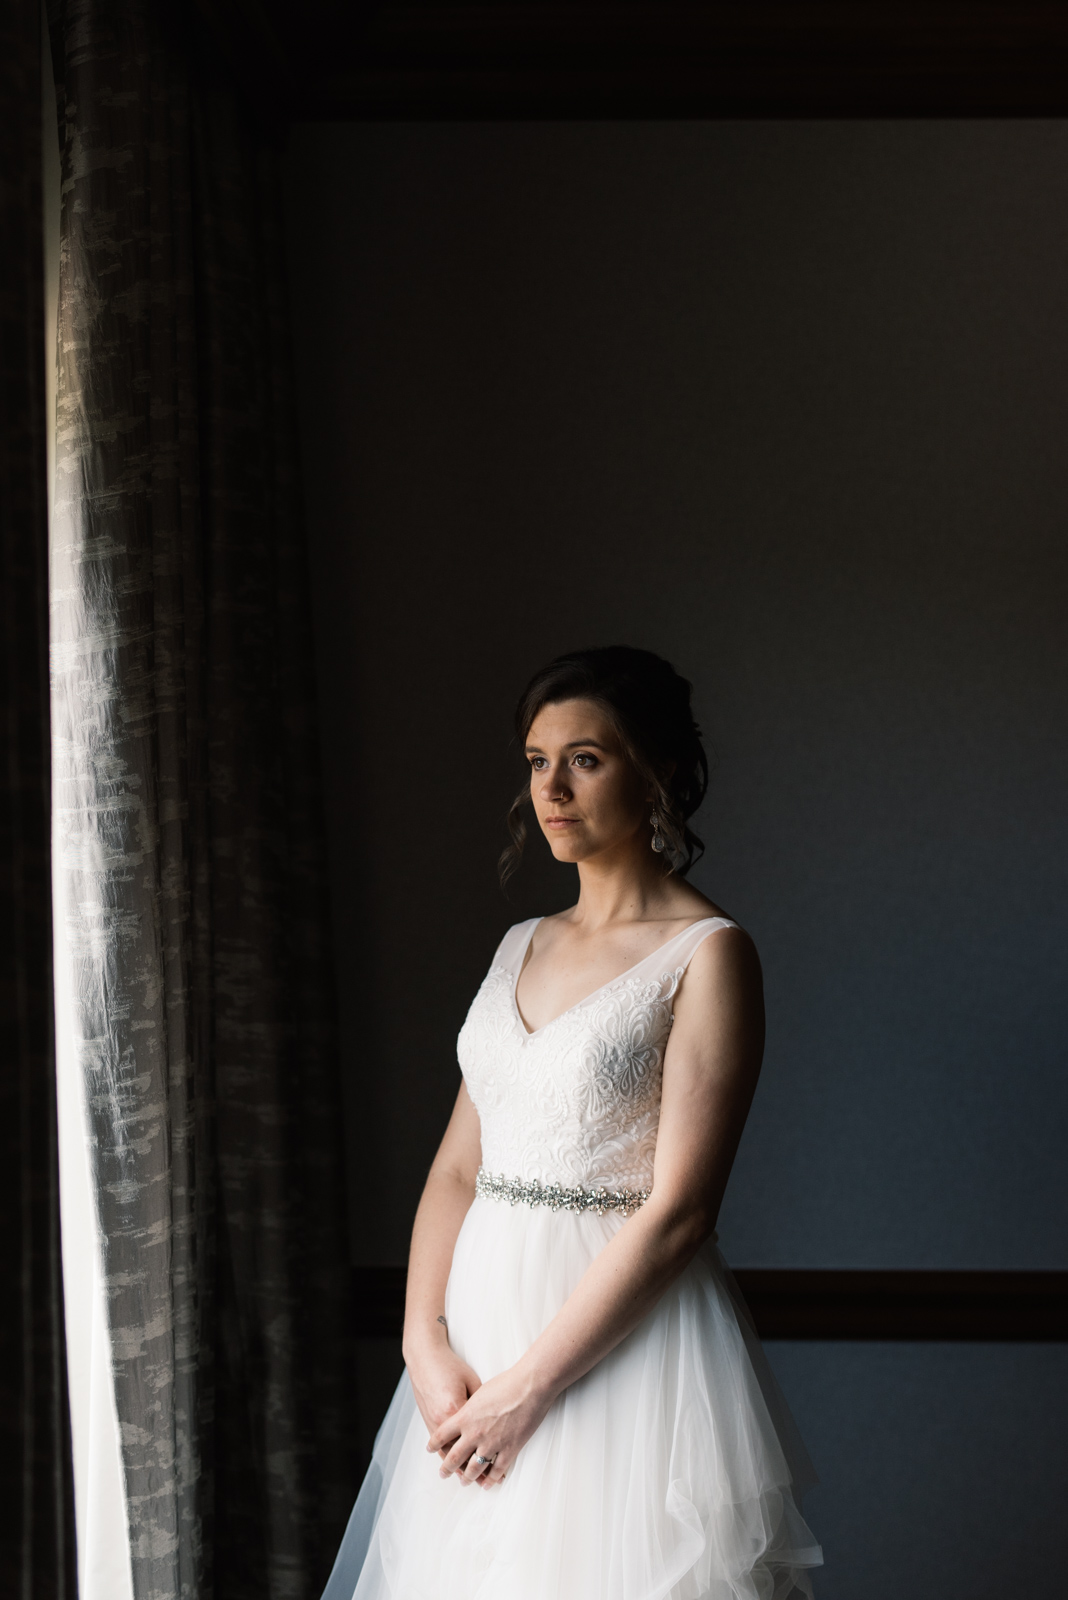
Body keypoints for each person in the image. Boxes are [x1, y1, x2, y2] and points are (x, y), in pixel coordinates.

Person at [322, 646, 823, 1600]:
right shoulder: (521, 944)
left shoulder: (710, 955)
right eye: (536, 760)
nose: (550, 787)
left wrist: (528, 1390)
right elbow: (457, 1172)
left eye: (585, 759)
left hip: (615, 1350)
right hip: (473, 1329)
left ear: (662, 771)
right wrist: (422, 1344)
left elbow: (682, 1212)